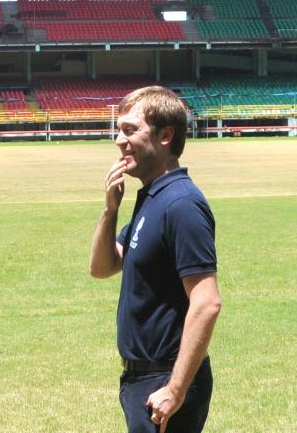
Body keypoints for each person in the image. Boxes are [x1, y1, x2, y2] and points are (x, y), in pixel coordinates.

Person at [89, 86, 222, 433]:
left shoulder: (181, 204)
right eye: (119, 130)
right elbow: (103, 267)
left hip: (164, 382)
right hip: (142, 381)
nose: (119, 141)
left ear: (165, 135)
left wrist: (175, 390)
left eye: (131, 130)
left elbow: (206, 302)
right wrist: (109, 210)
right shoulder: (152, 197)